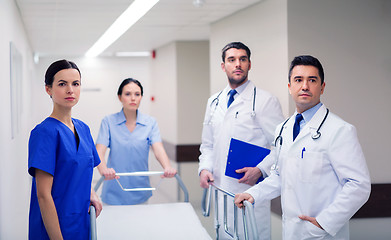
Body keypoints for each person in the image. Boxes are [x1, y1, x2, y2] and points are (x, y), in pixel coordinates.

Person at [235, 55, 371, 239]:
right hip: (291, 231)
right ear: (290, 87)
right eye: (298, 80)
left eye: (312, 80)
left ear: (322, 87)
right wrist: (254, 194)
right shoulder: (283, 128)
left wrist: (324, 222)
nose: (305, 86)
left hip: (321, 232)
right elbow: (281, 176)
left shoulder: (340, 130)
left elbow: (359, 185)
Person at [198, 42, 284, 239]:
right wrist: (204, 168)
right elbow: (208, 145)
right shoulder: (214, 101)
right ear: (223, 66)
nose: (238, 64)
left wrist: (260, 169)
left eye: (242, 59)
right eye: (232, 60)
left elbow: (281, 146)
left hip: (249, 192)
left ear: (249, 64)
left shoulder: (265, 101)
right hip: (220, 189)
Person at [28, 59, 102, 239]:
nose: (70, 89)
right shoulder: (44, 133)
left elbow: (82, 171)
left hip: (81, 223)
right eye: (62, 84)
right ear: (49, 89)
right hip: (54, 228)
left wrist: (92, 193)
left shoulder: (83, 129)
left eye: (75, 84)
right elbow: (43, 195)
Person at [96, 78, 177, 205]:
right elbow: (99, 152)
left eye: (137, 94)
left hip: (140, 189)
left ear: (141, 97)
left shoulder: (150, 123)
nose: (133, 98)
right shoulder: (108, 122)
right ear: (120, 97)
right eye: (128, 94)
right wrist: (104, 170)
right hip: (114, 189)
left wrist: (167, 167)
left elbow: (158, 150)